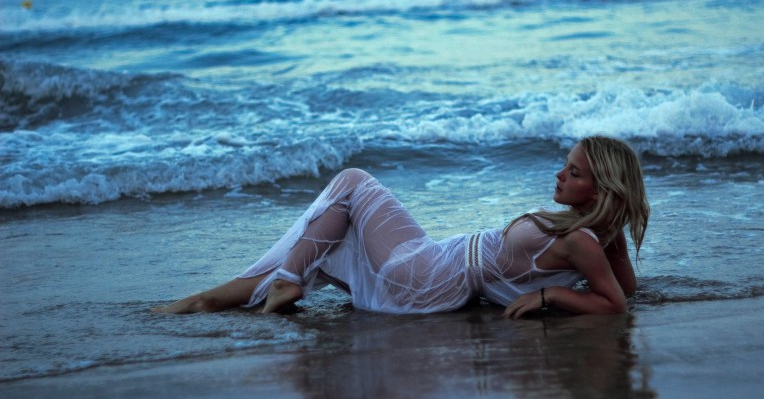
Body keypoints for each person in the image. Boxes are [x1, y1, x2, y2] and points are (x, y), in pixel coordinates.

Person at [153, 135, 649, 319]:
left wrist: (550, 296)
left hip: (425, 279)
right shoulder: (591, 235)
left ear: (600, 189)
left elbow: (616, 303)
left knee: (351, 182)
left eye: (574, 173)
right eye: (565, 165)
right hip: (432, 265)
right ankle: (213, 298)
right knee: (328, 236)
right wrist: (612, 241)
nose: (560, 175)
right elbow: (625, 290)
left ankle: (279, 281)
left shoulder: (581, 240)